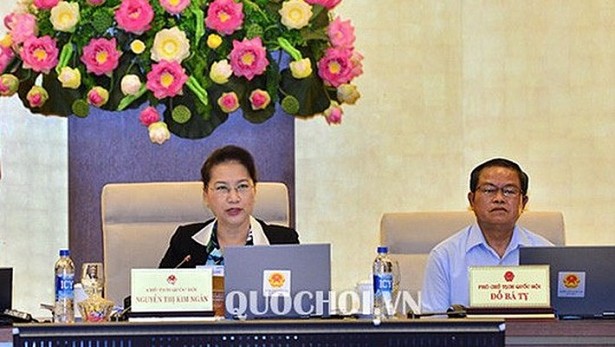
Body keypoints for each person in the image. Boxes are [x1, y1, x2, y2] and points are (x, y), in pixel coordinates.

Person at [420, 158, 553, 313]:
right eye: (489, 190)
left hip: (529, 337)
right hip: (467, 338)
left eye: (509, 191)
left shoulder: (547, 254)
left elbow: (559, 323)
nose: (499, 199)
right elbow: (434, 324)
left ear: (523, 202)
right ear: (471, 200)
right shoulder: (445, 256)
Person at [159, 145, 299, 268]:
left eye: (242, 186)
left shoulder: (284, 242)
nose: (233, 198)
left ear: (254, 190)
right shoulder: (184, 241)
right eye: (222, 188)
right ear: (206, 195)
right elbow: (161, 290)